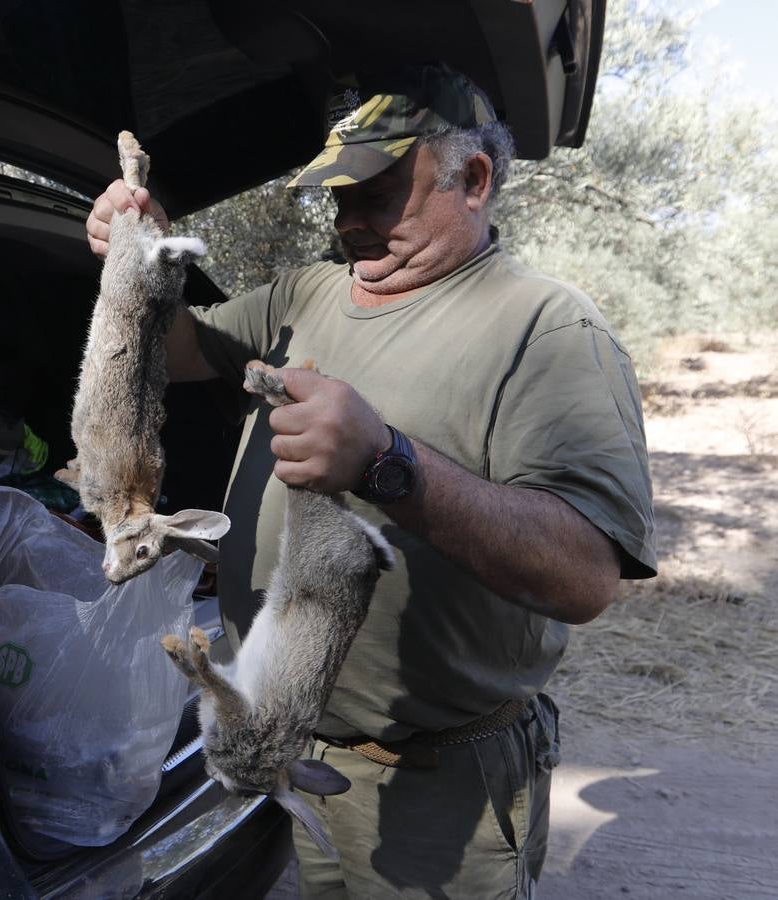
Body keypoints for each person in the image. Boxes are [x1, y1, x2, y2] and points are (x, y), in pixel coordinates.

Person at [85, 64, 656, 898]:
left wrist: (387, 463)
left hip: (439, 787)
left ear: (473, 179)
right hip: (300, 747)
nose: (348, 221)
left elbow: (583, 574)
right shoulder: (307, 291)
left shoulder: (547, 327)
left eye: (377, 193)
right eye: (337, 197)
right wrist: (143, 256)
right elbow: (177, 350)